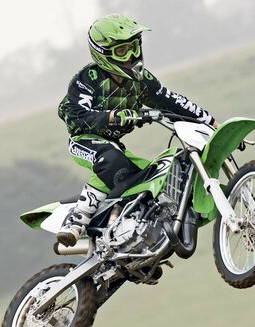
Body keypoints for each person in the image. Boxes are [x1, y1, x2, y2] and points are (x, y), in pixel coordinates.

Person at [56, 14, 219, 247]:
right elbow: (76, 114)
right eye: (122, 51)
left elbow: (171, 100)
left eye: (133, 47)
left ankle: (135, 236)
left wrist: (210, 121)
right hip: (84, 140)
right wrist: (113, 117)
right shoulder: (88, 79)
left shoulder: (141, 80)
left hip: (115, 146)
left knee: (158, 176)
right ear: (103, 53)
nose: (131, 56)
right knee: (112, 161)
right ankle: (75, 222)